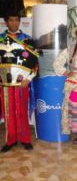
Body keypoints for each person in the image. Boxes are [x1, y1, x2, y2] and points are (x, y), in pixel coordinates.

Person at [0, 11, 39, 152]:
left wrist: (28, 79)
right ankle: (10, 140)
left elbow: (35, 63)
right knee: (8, 112)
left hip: (22, 83)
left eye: (16, 20)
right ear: (6, 22)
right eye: (11, 20)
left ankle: (25, 139)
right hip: (5, 84)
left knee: (22, 111)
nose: (14, 23)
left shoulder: (28, 40)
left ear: (19, 21)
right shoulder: (0, 39)